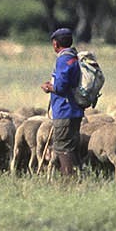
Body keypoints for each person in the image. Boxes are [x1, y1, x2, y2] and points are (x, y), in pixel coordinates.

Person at [39, 27, 83, 177]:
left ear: (56, 44)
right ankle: (80, 178)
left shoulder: (63, 59)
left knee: (62, 147)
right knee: (71, 146)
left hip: (65, 110)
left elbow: (61, 86)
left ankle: (68, 181)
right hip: (75, 109)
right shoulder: (74, 57)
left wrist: (49, 88)